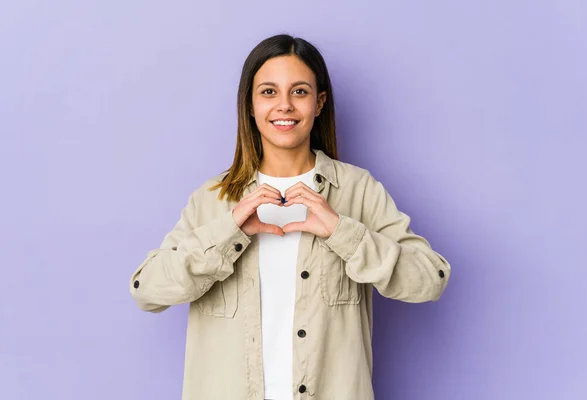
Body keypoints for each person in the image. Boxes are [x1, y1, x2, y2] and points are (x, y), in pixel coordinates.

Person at [129, 34, 451, 400]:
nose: (284, 105)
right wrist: (227, 231)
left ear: (319, 103)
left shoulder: (358, 190)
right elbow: (146, 291)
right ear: (250, 105)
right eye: (268, 92)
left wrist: (341, 231)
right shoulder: (212, 198)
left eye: (299, 91)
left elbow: (431, 279)